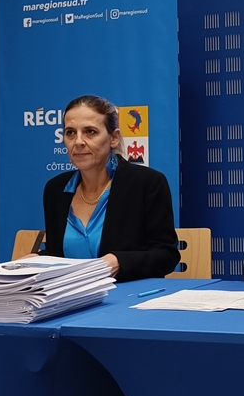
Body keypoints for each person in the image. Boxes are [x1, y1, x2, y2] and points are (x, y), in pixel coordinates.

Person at [40, 94, 180, 281]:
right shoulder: (55, 189)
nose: (78, 142)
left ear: (113, 138)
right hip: (71, 301)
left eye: (90, 132)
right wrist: (36, 261)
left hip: (127, 300)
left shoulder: (147, 184)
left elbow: (166, 255)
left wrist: (119, 261)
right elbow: (58, 254)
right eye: (70, 133)